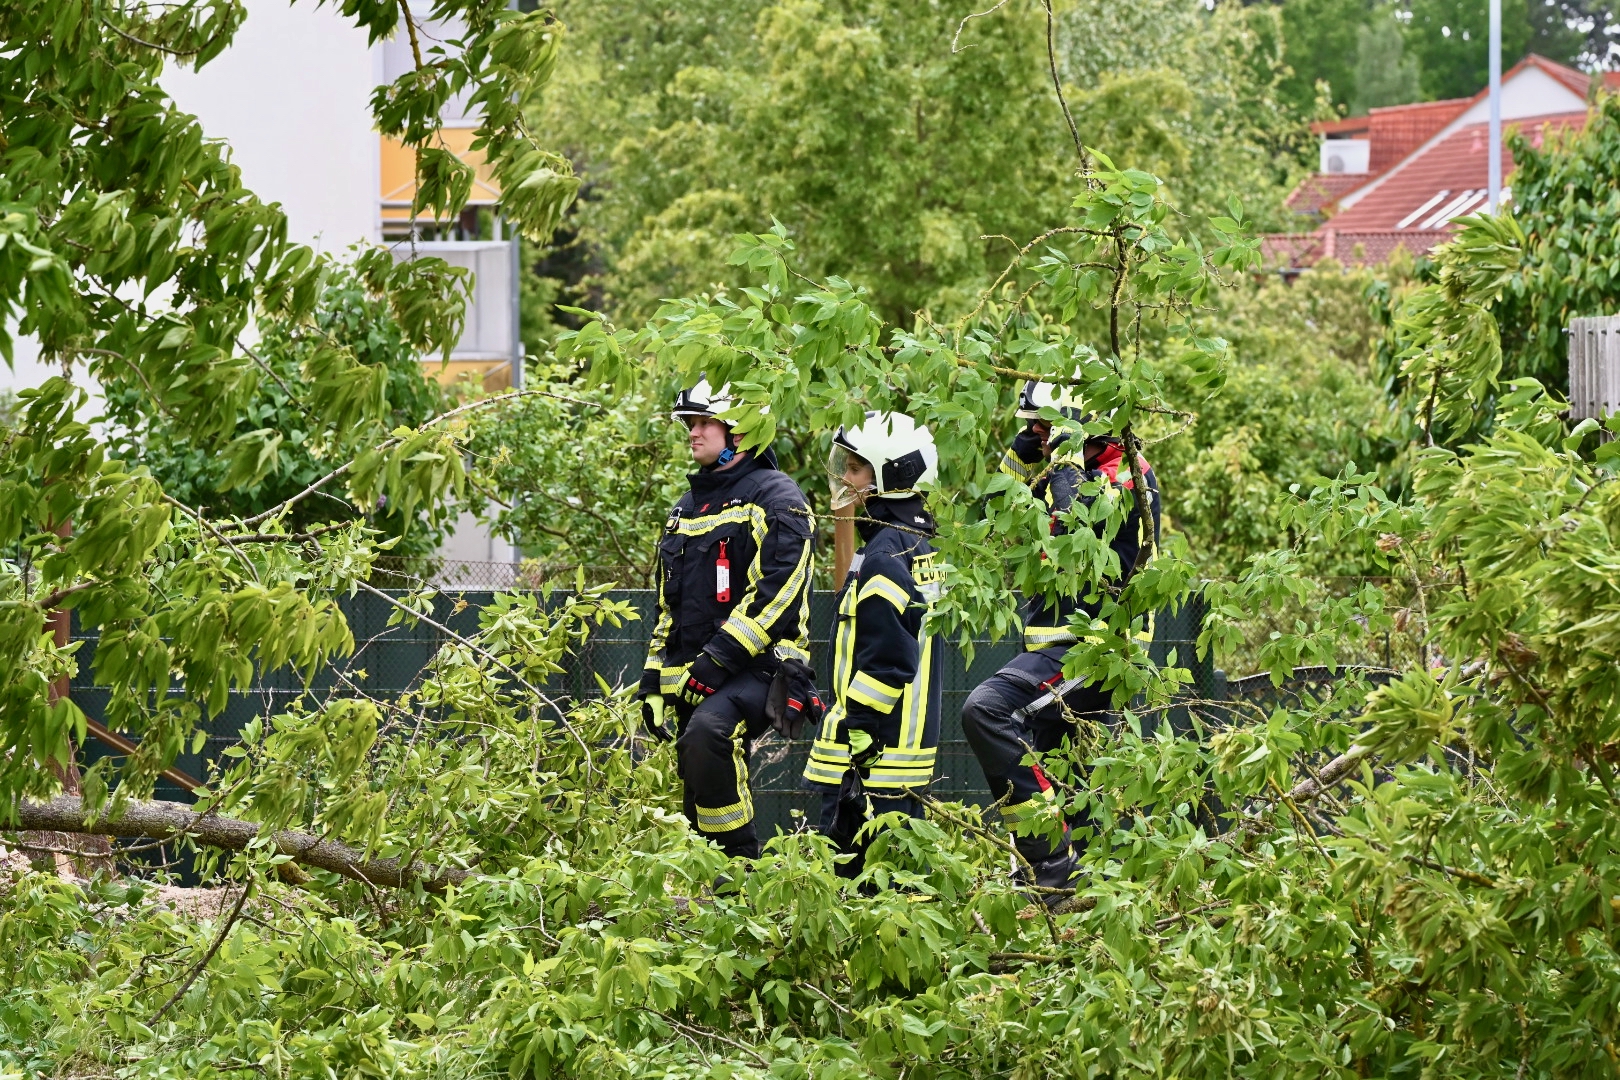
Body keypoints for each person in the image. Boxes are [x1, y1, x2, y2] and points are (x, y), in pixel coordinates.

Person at [960, 379, 1161, 902]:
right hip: (1056, 647)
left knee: (988, 710)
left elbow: (1079, 539)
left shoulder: (1126, 475)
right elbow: (994, 518)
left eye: (1044, 424)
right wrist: (1019, 460)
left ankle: (1048, 860)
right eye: (1032, 425)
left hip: (1099, 649)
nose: (1036, 432)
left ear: (1080, 425)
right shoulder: (1062, 469)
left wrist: (1065, 465)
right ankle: (1074, 895)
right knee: (1066, 776)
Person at [637, 379, 815, 860]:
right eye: (689, 424)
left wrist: (717, 660)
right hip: (696, 675)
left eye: (703, 423)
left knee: (708, 734)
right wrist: (653, 681)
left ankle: (740, 866)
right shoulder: (685, 509)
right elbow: (668, 608)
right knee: (696, 774)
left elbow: (776, 593)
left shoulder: (777, 498)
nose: (692, 433)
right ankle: (710, 875)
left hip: (762, 667)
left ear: (738, 432)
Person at [802, 412, 944, 878]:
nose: (846, 478)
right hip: (903, 752)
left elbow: (889, 657)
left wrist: (860, 726)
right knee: (896, 888)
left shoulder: (884, 554)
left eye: (856, 468)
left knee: (848, 889)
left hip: (870, 756)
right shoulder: (916, 545)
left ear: (890, 474)